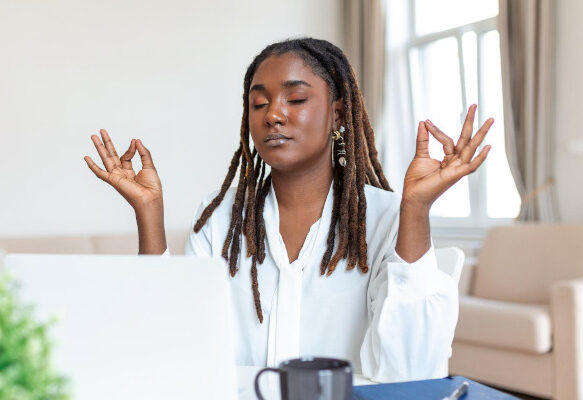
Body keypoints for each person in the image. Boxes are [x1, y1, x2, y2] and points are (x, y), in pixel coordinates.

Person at [83, 37, 494, 382]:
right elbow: (170, 344)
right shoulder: (219, 220)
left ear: (337, 114)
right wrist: (149, 213)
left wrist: (416, 209)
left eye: (296, 98)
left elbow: (411, 371)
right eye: (258, 104)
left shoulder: (388, 218)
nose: (273, 115)